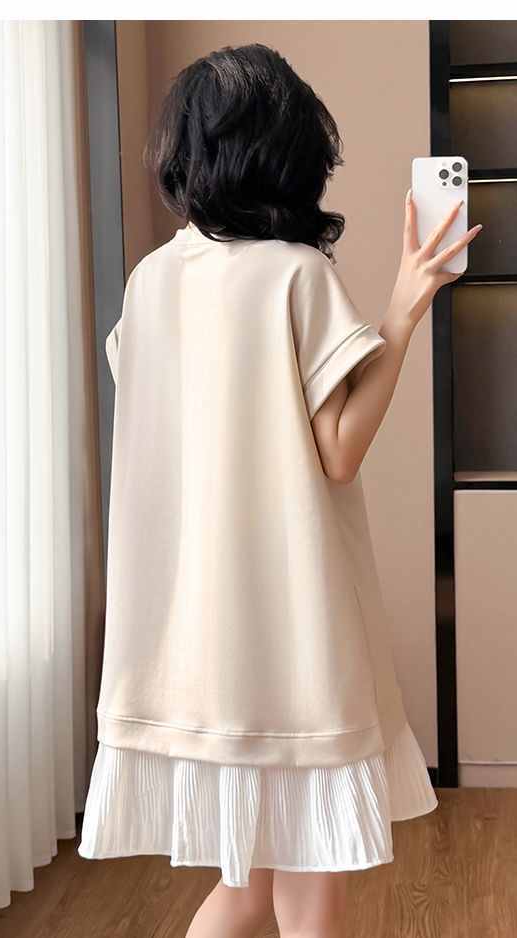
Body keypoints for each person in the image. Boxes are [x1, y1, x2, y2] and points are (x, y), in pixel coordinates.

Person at [78, 43, 482, 938]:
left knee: (244, 889)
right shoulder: (295, 274)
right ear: (291, 152)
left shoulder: (151, 281)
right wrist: (404, 307)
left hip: (190, 650)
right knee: (305, 891)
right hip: (289, 640)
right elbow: (338, 453)